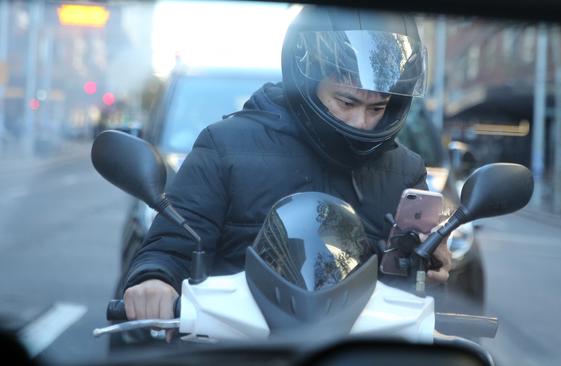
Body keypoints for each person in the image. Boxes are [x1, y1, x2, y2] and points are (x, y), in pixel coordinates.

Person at [121, 5, 452, 330]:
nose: (361, 122)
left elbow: (410, 292)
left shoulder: (405, 170)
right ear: (306, 81)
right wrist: (155, 279)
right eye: (346, 102)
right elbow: (171, 245)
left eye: (377, 107)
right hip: (237, 347)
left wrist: (426, 265)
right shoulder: (225, 146)